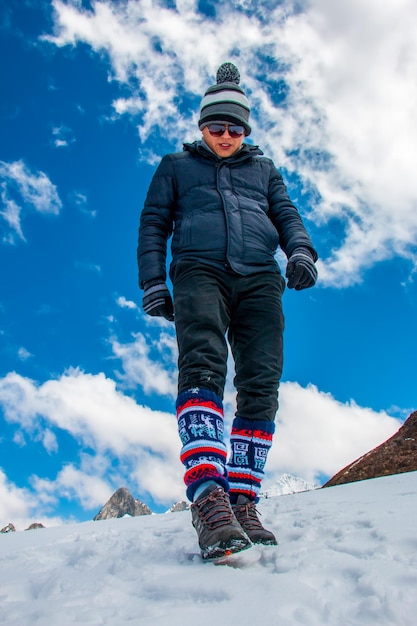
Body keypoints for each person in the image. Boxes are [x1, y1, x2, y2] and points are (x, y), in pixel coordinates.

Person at [138, 62, 318, 560]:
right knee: (202, 366)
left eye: (235, 127)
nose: (225, 135)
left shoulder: (264, 170)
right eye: (216, 126)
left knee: (262, 380)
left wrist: (300, 251)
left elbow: (286, 215)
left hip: (260, 276)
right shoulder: (176, 166)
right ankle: (208, 497)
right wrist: (153, 281)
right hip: (199, 270)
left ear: (246, 130)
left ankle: (242, 498)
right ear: (202, 127)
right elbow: (153, 223)